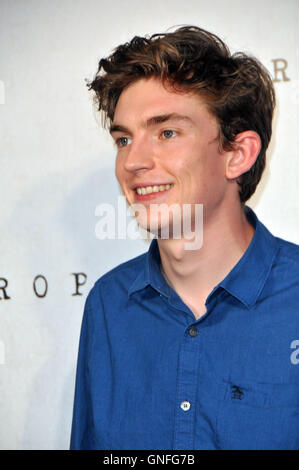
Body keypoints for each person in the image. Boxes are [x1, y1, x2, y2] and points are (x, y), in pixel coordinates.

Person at [70, 26, 299, 450]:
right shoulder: (108, 304)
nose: (132, 162)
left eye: (166, 132)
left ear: (237, 154)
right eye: (124, 139)